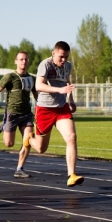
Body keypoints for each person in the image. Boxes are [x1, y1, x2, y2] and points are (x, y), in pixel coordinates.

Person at [24, 41, 84, 187]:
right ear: (53, 53)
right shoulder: (45, 64)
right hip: (44, 109)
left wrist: (71, 100)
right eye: (61, 57)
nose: (64, 60)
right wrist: (59, 90)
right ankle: (29, 138)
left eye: (67, 57)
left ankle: (71, 175)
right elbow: (38, 85)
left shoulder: (67, 66)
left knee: (72, 137)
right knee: (40, 149)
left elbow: (67, 81)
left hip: (61, 107)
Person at [0, 51, 38, 178]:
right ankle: (4, 125)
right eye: (21, 59)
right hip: (12, 114)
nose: (24, 62)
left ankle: (19, 169)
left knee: (28, 140)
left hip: (26, 114)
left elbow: (36, 94)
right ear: (16, 61)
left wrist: (38, 107)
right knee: (9, 144)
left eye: (26, 59)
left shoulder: (32, 78)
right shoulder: (10, 76)